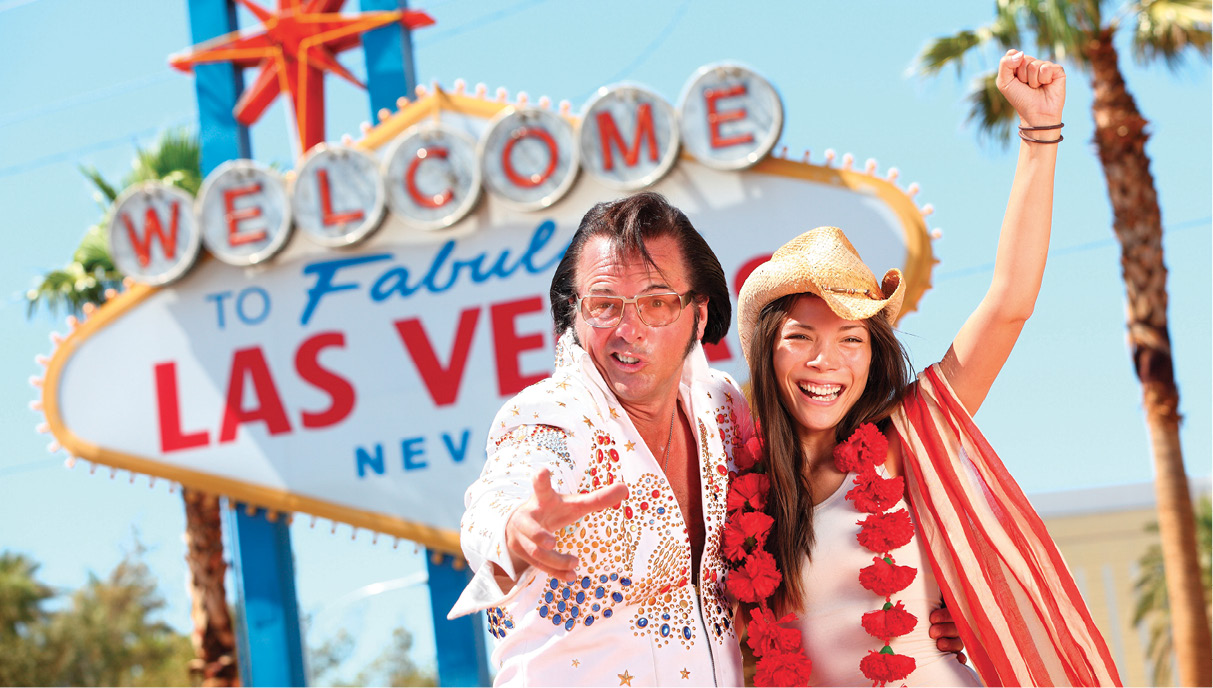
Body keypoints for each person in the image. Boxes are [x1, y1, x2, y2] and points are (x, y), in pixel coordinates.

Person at [449, 193, 965, 686]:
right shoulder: (552, 416)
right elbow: (502, 492)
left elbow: (796, 528)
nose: (629, 329)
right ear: (576, 313)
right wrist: (514, 529)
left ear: (698, 315)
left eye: (655, 303)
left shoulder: (722, 410)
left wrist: (930, 608)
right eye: (604, 304)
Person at [734, 50, 1122, 686]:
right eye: (801, 336)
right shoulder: (738, 491)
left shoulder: (907, 435)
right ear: (767, 350)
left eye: (851, 339)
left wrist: (1039, 135)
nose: (825, 361)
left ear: (872, 355)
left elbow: (1009, 305)